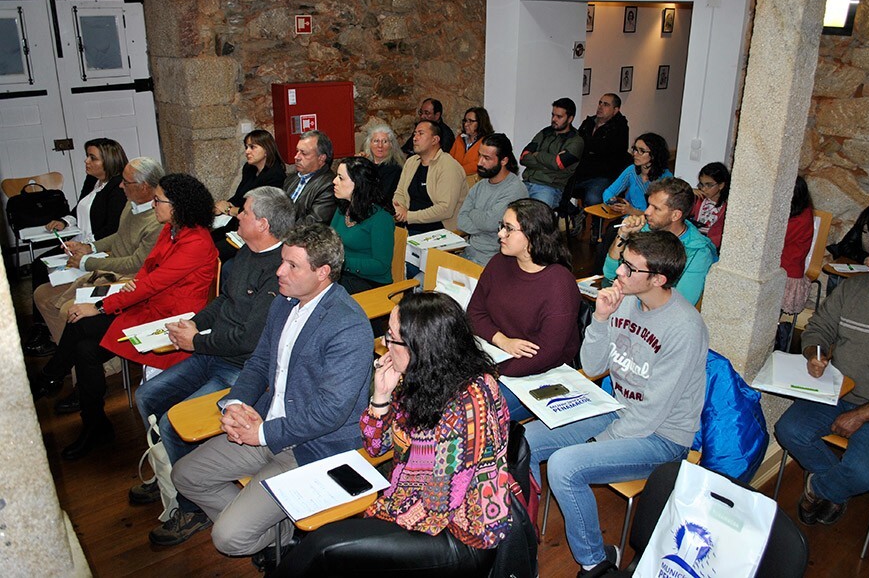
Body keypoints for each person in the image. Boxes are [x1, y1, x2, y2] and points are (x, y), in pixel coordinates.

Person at [271, 292, 512, 577]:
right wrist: (381, 396)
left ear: (420, 346)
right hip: (414, 504)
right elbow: (376, 445)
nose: (384, 344)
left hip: (457, 533)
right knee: (330, 544)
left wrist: (377, 512)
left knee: (326, 545)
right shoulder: (421, 378)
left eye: (391, 337)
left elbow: (439, 502)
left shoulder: (469, 402)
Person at [171, 223, 373, 561]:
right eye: (282, 261)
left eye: (292, 265)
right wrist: (236, 403)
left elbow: (331, 412)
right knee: (186, 475)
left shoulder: (348, 325)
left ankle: (281, 534)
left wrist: (262, 433)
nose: (279, 271)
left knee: (228, 539)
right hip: (267, 425)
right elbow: (260, 360)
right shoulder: (283, 302)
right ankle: (273, 529)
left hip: (312, 445)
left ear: (322, 273)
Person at [526, 230, 708, 578]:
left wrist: (597, 442)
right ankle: (523, 534)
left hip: (663, 436)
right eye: (623, 262)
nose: (619, 272)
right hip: (617, 410)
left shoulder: (685, 328)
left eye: (630, 268)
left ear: (658, 279)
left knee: (565, 466)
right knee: (527, 440)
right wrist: (599, 319)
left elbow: (651, 413)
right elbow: (593, 366)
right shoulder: (624, 301)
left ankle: (596, 563)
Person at [128, 186, 293, 546]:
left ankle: (191, 508)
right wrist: (193, 323)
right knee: (147, 397)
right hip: (212, 353)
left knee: (173, 423)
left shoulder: (281, 270)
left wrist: (196, 341)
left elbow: (249, 340)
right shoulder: (245, 252)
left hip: (241, 368)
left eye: (244, 212)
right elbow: (223, 302)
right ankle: (167, 470)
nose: (237, 215)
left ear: (263, 224)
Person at [33, 174, 218, 460]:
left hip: (170, 318)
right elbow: (148, 271)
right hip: (150, 306)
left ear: (177, 206)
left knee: (83, 328)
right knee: (84, 347)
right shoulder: (170, 229)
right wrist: (129, 289)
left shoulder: (196, 242)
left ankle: (49, 381)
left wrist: (101, 306)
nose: (153, 205)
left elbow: (153, 283)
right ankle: (92, 422)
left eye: (158, 200)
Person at [774, 230, 869, 527]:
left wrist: (862, 414)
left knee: (865, 473)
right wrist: (815, 353)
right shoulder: (853, 288)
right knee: (788, 429)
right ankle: (834, 484)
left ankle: (818, 488)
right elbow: (820, 327)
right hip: (837, 391)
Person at [29, 157, 165, 356]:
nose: (120, 186)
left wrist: (87, 262)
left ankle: (97, 360)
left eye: (125, 182)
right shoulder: (132, 203)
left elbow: (136, 264)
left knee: (69, 309)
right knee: (41, 294)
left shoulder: (157, 221)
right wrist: (88, 247)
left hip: (127, 279)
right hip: (108, 269)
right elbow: (120, 235)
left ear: (144, 186)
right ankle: (68, 357)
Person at [468, 199, 581, 420]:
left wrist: (492, 370)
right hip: (497, 357)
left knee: (475, 413)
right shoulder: (499, 263)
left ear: (532, 234)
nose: (500, 234)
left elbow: (548, 353)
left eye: (508, 229)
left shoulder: (559, 284)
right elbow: (474, 313)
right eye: (502, 226)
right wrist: (502, 341)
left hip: (539, 375)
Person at [25, 138, 128, 354]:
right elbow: (79, 207)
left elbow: (112, 228)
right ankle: (41, 326)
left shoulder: (117, 188)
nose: (86, 161)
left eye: (92, 158)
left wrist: (86, 245)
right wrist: (64, 221)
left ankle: (44, 329)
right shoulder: (93, 180)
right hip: (79, 240)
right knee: (39, 264)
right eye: (87, 156)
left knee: (44, 268)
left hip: (96, 246)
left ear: (108, 161)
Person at [603, 178, 718, 306]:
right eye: (649, 205)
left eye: (656, 208)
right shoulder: (646, 229)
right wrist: (623, 234)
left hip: (658, 312)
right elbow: (609, 273)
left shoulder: (698, 252)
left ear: (675, 215)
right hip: (629, 301)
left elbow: (682, 303)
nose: (647, 212)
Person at [211, 129, 286, 261]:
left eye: (252, 147)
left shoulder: (275, 175)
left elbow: (258, 211)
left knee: (215, 252)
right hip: (237, 221)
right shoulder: (249, 168)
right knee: (207, 240)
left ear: (266, 149)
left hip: (254, 228)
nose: (247, 151)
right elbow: (239, 196)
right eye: (246, 147)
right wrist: (221, 207)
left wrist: (228, 209)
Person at [457, 133, 529, 265]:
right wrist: (485, 227)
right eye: (479, 155)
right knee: (426, 273)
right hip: (468, 252)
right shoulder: (480, 186)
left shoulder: (515, 189)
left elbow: (489, 223)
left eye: (487, 158)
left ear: (504, 161)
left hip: (494, 260)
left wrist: (472, 213)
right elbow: (461, 220)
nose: (480, 162)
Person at [330, 157, 395, 293]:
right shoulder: (343, 207)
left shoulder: (381, 218)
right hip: (343, 273)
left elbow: (381, 265)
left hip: (370, 282)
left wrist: (341, 262)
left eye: (341, 178)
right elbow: (331, 240)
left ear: (359, 183)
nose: (334, 181)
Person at [392, 120, 467, 235]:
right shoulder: (411, 162)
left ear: (435, 140)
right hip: (410, 227)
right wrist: (399, 211)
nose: (415, 138)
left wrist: (409, 216)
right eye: (414, 133)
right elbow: (400, 193)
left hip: (439, 231)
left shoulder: (448, 166)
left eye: (420, 133)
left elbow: (445, 209)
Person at [520, 97, 584, 209]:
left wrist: (538, 154)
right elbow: (523, 157)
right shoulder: (545, 132)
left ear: (570, 119)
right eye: (553, 115)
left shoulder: (576, 141)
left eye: (559, 117)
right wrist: (549, 163)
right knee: (507, 208)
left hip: (549, 188)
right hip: (526, 182)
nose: (554, 119)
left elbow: (558, 163)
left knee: (537, 215)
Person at [573, 94, 631, 207]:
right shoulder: (588, 123)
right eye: (600, 103)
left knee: (593, 199)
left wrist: (590, 149)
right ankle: (575, 213)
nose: (600, 106)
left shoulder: (620, 128)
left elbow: (611, 155)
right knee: (558, 186)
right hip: (582, 171)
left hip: (603, 175)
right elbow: (577, 143)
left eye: (606, 104)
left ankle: (591, 218)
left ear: (615, 110)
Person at [602, 132, 672, 215]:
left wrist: (634, 211)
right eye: (635, 149)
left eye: (641, 151)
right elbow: (609, 191)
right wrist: (612, 202)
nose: (635, 154)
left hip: (652, 221)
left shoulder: (666, 178)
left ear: (654, 154)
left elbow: (663, 214)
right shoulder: (631, 170)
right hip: (629, 218)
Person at [282, 129, 337, 224]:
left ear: (321, 158)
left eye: (304, 153)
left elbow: (314, 222)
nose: (296, 157)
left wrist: (281, 230)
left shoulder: (329, 185)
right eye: (297, 151)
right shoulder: (291, 179)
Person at [781, 176, 815, 314]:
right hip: (783, 269)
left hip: (788, 273)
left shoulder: (801, 219)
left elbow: (778, 239)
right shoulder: (800, 213)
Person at [359, 123, 406, 212]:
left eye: (385, 141)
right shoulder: (366, 163)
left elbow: (382, 197)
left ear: (391, 145)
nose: (380, 145)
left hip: (382, 211)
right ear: (369, 144)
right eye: (376, 141)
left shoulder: (394, 168)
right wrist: (358, 166)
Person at [689, 162, 731, 251]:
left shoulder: (727, 207)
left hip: (711, 246)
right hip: (694, 239)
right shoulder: (699, 199)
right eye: (701, 184)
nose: (703, 189)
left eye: (709, 185)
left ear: (721, 185)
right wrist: (689, 192)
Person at [449, 106, 494, 176]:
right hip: (455, 177)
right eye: (465, 121)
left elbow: (480, 164)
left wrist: (459, 171)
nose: (466, 124)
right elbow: (450, 159)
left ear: (480, 122)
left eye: (471, 121)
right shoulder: (460, 138)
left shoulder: (487, 142)